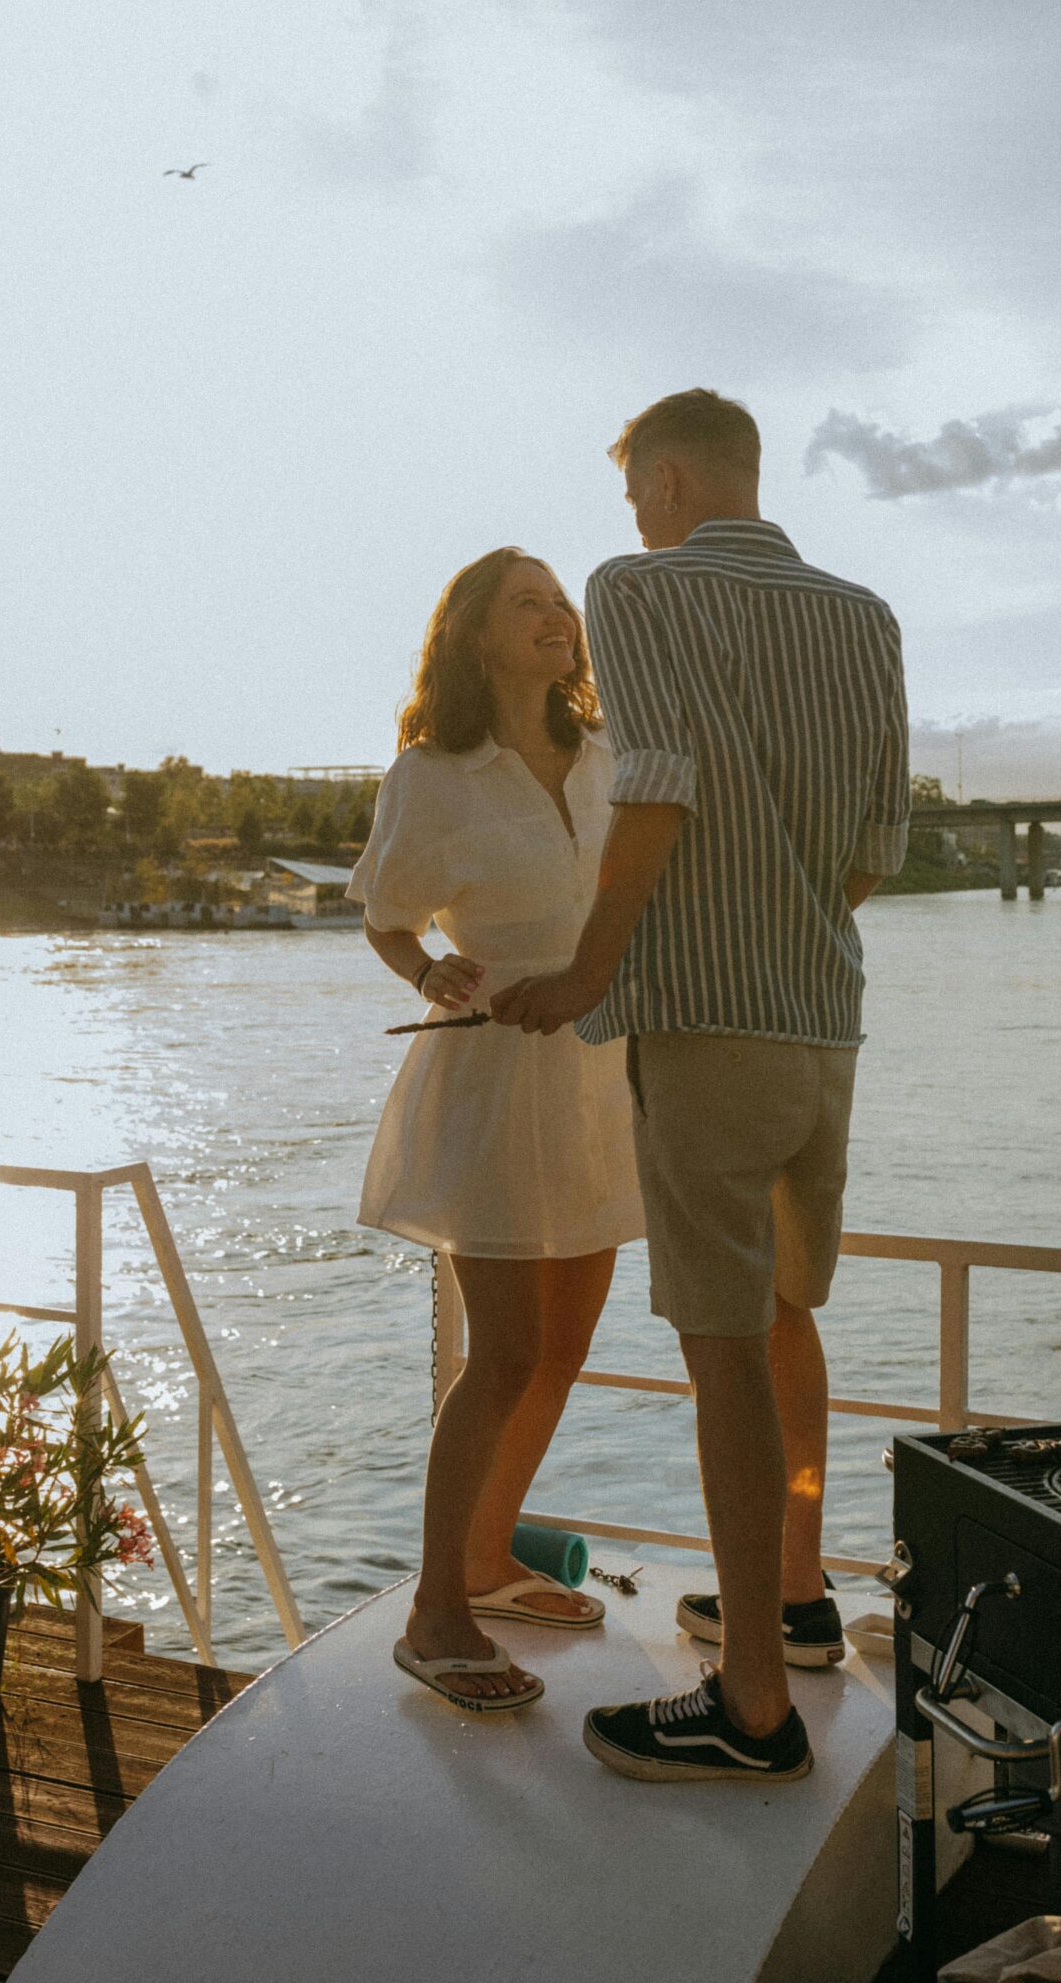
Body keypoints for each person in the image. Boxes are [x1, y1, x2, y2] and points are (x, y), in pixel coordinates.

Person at [492, 389, 909, 1782]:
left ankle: (746, 1707)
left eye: (633, 497)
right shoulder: (863, 618)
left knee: (719, 1346)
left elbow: (653, 790)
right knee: (783, 1312)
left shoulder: (639, 590)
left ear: (665, 480)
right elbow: (871, 850)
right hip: (820, 1026)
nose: (630, 524)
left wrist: (582, 980)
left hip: (707, 1029)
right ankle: (787, 1602)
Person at [349, 547, 646, 1715]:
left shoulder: (609, 756)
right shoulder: (435, 772)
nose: (558, 617)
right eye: (528, 603)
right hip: (491, 1080)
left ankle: (485, 1561)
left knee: (566, 1344)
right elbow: (383, 908)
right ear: (475, 635)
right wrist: (427, 966)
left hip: (598, 1074)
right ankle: (435, 1611)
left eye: (560, 600)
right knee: (506, 1351)